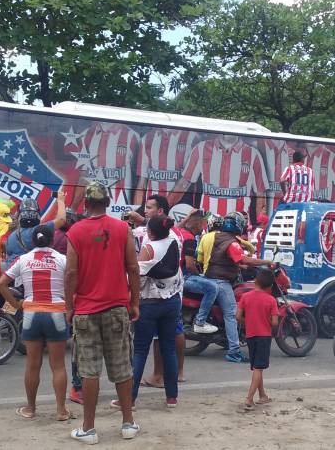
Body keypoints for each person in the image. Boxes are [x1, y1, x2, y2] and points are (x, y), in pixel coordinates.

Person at [65, 182, 141, 444]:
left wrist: (68, 306)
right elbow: (133, 268)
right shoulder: (123, 229)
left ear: (85, 204)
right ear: (108, 202)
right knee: (122, 367)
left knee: (89, 371)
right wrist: (135, 303)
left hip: (86, 310)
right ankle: (128, 423)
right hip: (117, 307)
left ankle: (89, 429)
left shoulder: (75, 231)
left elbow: (71, 273)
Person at [0, 226, 73, 421]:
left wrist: (16, 304)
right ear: (51, 240)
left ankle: (30, 408)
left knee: (32, 365)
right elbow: (74, 281)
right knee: (58, 366)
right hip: (56, 312)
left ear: (32, 241)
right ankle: (61, 410)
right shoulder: (63, 259)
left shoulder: (23, 259)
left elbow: (1, 283)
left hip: (31, 313)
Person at [196, 212, 276, 363]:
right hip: (221, 281)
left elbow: (226, 258)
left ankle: (227, 340)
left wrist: (241, 266)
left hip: (213, 277)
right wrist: (266, 261)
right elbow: (243, 258)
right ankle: (233, 351)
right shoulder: (232, 242)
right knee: (232, 315)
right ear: (237, 225)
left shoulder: (219, 237)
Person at [126, 216, 183, 409]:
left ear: (150, 232)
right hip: (172, 301)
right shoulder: (174, 241)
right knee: (169, 349)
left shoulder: (149, 248)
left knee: (140, 350)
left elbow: (135, 274)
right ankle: (172, 397)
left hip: (149, 304)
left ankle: (130, 399)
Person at [236, 269, 278, 411]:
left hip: (250, 335)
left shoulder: (245, 297)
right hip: (264, 336)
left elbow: (238, 316)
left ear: (255, 281)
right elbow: (274, 323)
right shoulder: (271, 300)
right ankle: (249, 399)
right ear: (270, 286)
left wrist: (248, 321)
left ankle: (262, 395)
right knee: (259, 368)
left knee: (256, 367)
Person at [4, 187, 67, 267]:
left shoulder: (11, 237)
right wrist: (61, 201)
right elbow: (61, 220)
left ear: (20, 215)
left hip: (12, 275)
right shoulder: (39, 231)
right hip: (30, 274)